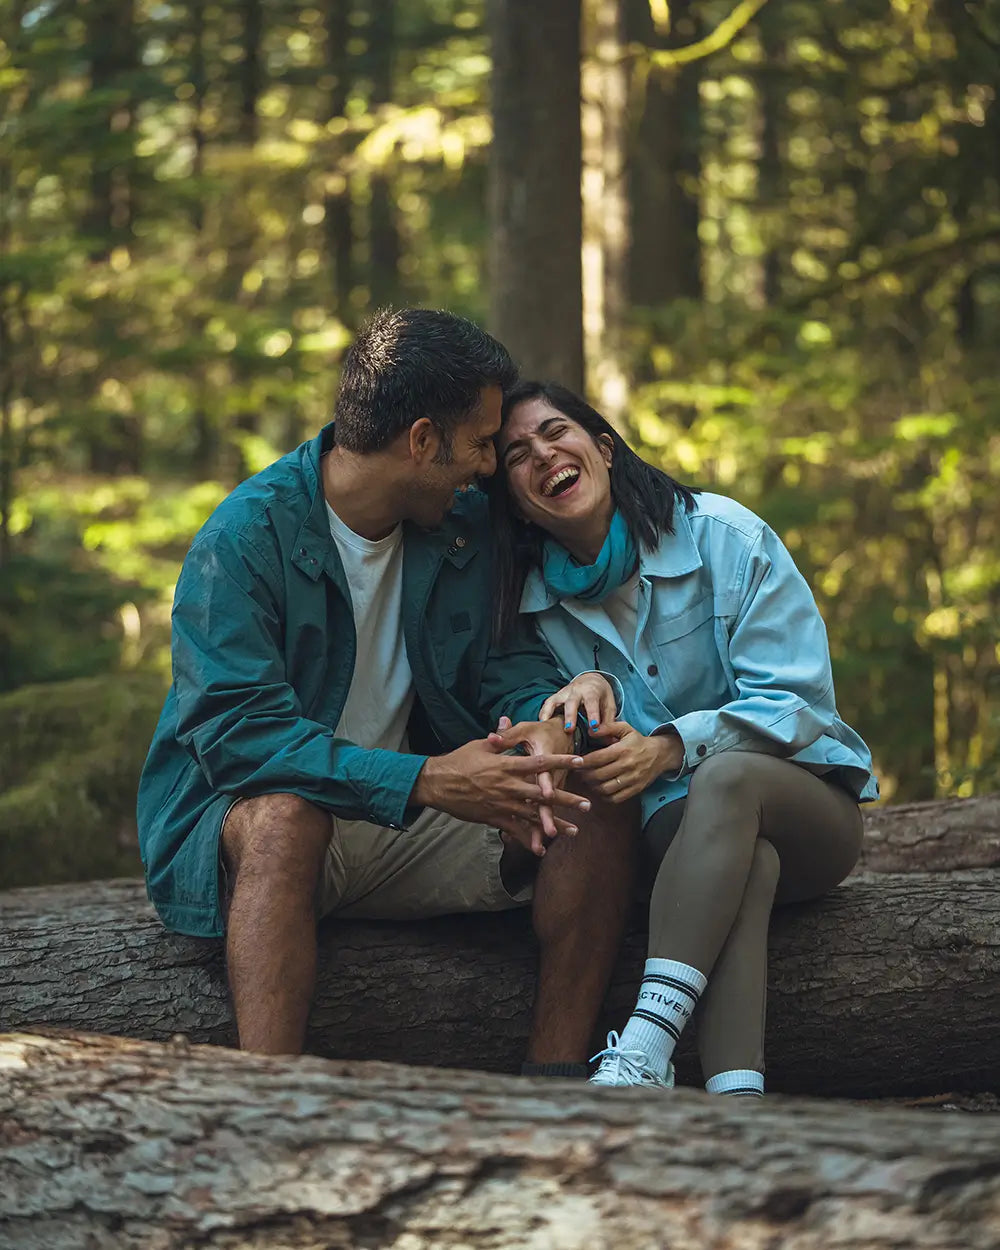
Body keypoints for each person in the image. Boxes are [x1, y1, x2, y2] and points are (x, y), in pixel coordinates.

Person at [137, 311, 630, 1069]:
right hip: (276, 831)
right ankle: (271, 1106)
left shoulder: (457, 526)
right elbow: (237, 739)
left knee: (583, 798)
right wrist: (427, 778)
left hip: (410, 823)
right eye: (480, 444)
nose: (489, 468)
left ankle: (556, 1089)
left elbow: (503, 657)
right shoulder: (244, 540)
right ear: (422, 440)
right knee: (284, 820)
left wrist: (543, 715)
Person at [488, 380, 878, 1097]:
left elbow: (801, 706)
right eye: (516, 454)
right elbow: (551, 727)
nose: (543, 456)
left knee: (724, 780)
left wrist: (674, 745)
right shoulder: (535, 609)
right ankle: (737, 1103)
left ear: (603, 448)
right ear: (514, 499)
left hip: (808, 811)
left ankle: (644, 1044)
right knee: (744, 865)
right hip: (678, 843)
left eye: (555, 433)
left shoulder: (724, 537)